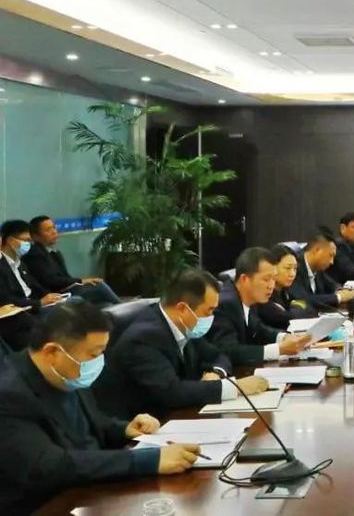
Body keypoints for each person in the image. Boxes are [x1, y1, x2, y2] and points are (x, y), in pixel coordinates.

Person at [0, 300, 201, 513]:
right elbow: (52, 466)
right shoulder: (9, 396)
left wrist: (124, 429)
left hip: (90, 488)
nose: (98, 362)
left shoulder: (66, 371)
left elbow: (90, 426)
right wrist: (148, 460)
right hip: (47, 505)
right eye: (94, 354)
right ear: (52, 352)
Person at [93, 269, 268, 419]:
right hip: (141, 427)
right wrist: (235, 388)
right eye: (209, 311)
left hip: (177, 415)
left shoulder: (184, 325)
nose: (211, 317)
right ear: (183, 308)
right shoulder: (143, 338)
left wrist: (216, 373)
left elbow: (218, 355)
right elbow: (171, 391)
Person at [207, 247, 312, 365]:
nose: (271, 286)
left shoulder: (250, 298)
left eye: (273, 279)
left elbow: (258, 329)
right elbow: (227, 351)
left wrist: (284, 337)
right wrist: (279, 349)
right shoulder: (224, 304)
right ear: (245, 279)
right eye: (266, 279)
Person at [23, 216, 121, 306]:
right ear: (35, 236)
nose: (54, 232)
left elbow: (66, 277)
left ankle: (119, 311)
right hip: (54, 295)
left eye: (54, 228)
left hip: (65, 290)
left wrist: (80, 282)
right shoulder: (34, 255)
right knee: (98, 286)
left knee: (105, 305)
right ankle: (122, 307)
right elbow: (51, 281)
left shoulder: (54, 253)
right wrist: (81, 281)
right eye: (48, 230)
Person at [0, 220, 65, 349]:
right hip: (21, 313)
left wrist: (53, 297)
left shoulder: (20, 263)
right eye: (26, 240)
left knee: (73, 304)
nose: (29, 245)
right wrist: (39, 303)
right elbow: (6, 300)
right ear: (10, 240)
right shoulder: (2, 266)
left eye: (30, 241)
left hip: (32, 307)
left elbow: (35, 286)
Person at [288, 234, 354, 312]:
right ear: (317, 250)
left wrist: (342, 291)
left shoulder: (318, 269)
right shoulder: (294, 267)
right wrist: (339, 297)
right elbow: (303, 299)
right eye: (330, 255)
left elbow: (332, 285)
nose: (332, 262)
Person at [257, 244, 314, 330]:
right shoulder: (264, 295)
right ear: (273, 267)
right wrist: (294, 310)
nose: (292, 274)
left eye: (295, 268)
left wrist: (292, 310)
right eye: (288, 268)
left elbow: (308, 307)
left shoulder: (286, 291)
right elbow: (286, 318)